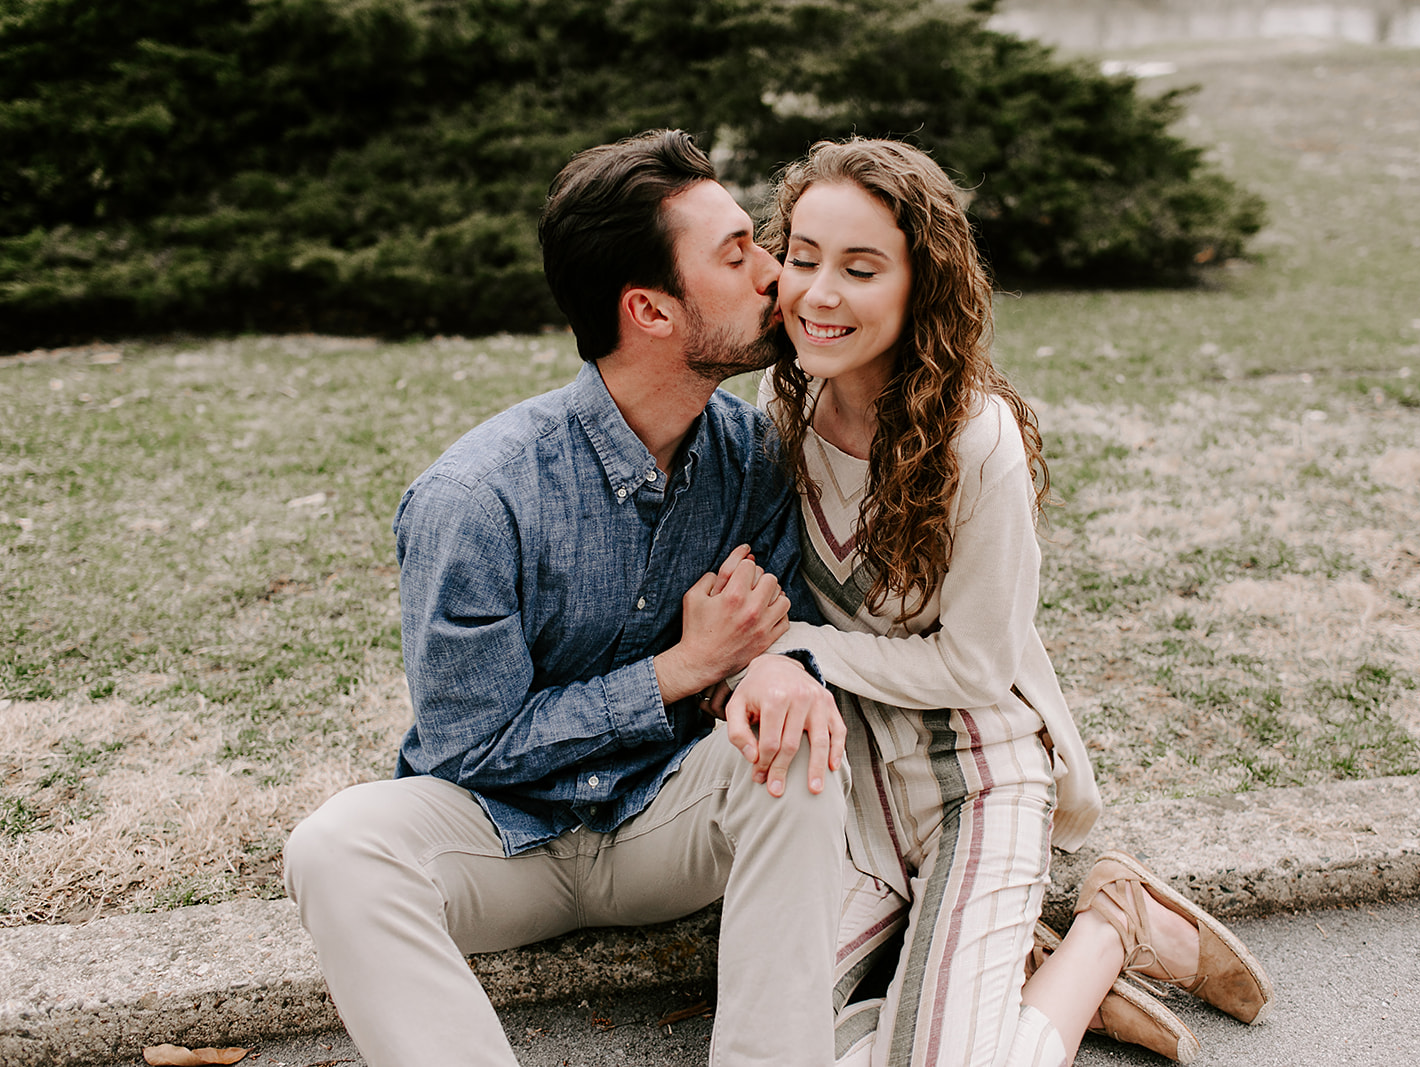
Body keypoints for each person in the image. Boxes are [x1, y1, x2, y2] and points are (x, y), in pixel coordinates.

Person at [283, 129, 852, 1067]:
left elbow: (780, 630)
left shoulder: (754, 458)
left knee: (798, 749)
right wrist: (682, 668)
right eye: (736, 252)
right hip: (500, 836)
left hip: (664, 816)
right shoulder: (476, 497)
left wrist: (776, 668)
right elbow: (472, 744)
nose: (772, 274)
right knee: (334, 847)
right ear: (650, 310)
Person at [750, 138, 1273, 1066]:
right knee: (771, 1043)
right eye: (802, 257)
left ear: (923, 284)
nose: (819, 293)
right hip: (856, 804)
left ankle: (1108, 926)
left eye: (860, 268)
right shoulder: (783, 403)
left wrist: (802, 648)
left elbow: (978, 666)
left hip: (976, 785)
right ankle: (1015, 994)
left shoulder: (974, 439)